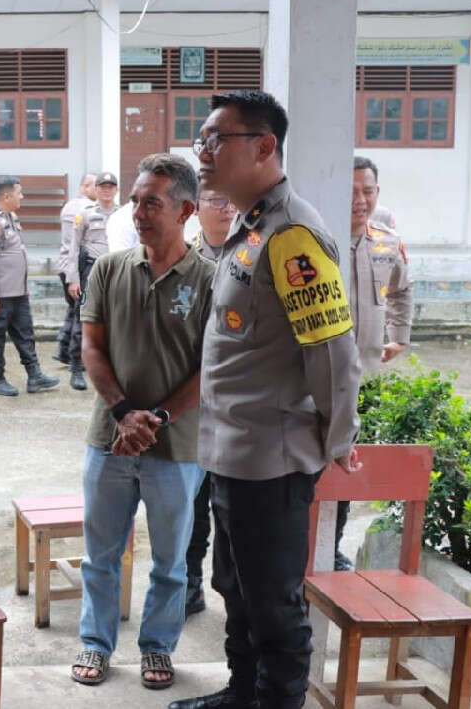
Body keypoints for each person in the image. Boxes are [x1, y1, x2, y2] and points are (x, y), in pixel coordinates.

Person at [169, 91, 361, 709]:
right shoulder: (249, 229)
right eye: (201, 139)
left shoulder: (293, 236)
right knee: (234, 586)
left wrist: (336, 441)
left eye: (215, 139)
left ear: (263, 146)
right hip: (230, 452)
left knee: (275, 603)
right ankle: (241, 694)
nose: (202, 153)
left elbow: (332, 353)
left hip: (272, 461)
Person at [70, 154, 213, 691]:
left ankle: (157, 647)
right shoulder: (109, 269)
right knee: (101, 555)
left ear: (185, 211)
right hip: (109, 441)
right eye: (135, 200)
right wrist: (123, 413)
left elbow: (209, 368)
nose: (137, 212)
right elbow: (91, 347)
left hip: (177, 447)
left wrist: (156, 417)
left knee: (170, 561)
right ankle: (95, 643)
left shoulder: (209, 279)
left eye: (151, 202)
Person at [330, 156, 412, 571]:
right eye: (351, 192)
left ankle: (332, 546)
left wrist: (399, 337)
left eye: (368, 191)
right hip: (320, 379)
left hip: (366, 378)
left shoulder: (386, 242)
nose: (359, 200)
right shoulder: (320, 242)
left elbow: (402, 290)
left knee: (349, 462)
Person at [181, 188, 239, 618]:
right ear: (195, 208)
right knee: (193, 506)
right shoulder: (182, 258)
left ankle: (234, 590)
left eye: (229, 199)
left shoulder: (253, 252)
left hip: (240, 407)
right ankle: (190, 583)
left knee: (234, 510)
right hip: (193, 407)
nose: (225, 207)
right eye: (214, 200)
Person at [0, 175, 59, 396]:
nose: (22, 196)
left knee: (26, 334)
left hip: (17, 292)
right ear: (6, 196)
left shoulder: (10, 216)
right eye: (19, 193)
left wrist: (24, 288)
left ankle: (35, 377)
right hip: (0, 294)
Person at [59, 172, 126, 391]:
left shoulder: (124, 214)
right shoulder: (85, 215)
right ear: (96, 190)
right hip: (90, 270)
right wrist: (73, 279)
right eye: (102, 187)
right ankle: (77, 368)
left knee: (115, 321)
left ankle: (111, 367)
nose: (106, 191)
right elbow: (73, 247)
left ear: (116, 190)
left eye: (110, 187)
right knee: (83, 318)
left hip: (117, 271)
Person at [56, 173, 98, 367]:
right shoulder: (86, 209)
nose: (99, 191)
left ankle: (62, 349)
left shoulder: (70, 205)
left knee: (74, 310)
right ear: (84, 187)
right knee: (81, 313)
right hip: (76, 266)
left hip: (65, 264)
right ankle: (75, 358)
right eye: (95, 186)